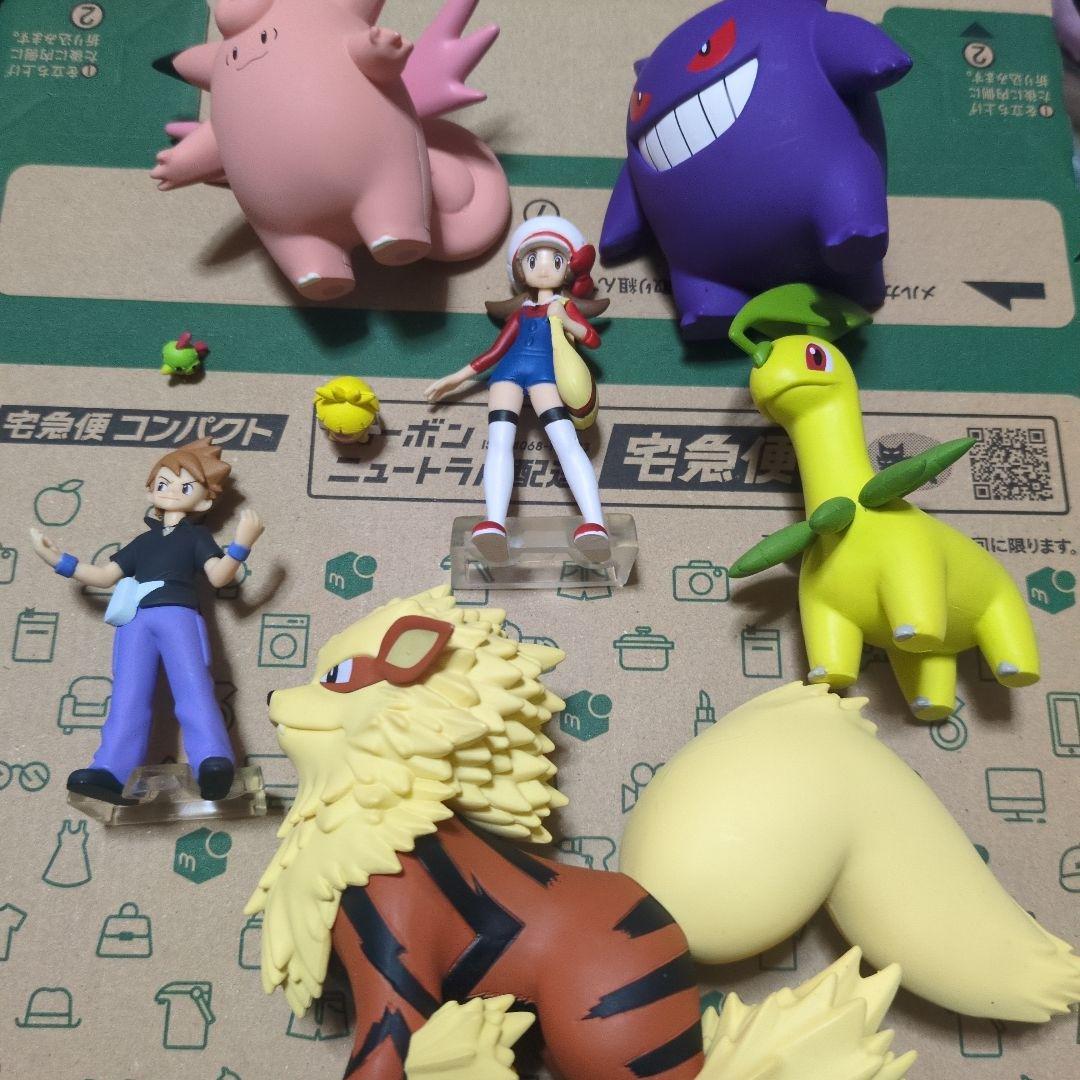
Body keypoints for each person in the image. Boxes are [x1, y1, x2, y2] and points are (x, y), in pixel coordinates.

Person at [30, 438, 264, 804]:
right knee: (127, 695)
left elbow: (219, 577)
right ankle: (111, 771)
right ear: (151, 489)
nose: (170, 491)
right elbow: (104, 576)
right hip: (134, 621)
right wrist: (60, 561)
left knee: (193, 688)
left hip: (179, 617)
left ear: (204, 501)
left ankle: (213, 762)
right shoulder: (142, 542)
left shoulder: (197, 537)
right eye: (163, 483)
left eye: (184, 486)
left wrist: (241, 545)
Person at [424, 215, 610, 563]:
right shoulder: (520, 313)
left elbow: (592, 338)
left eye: (555, 260)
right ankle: (494, 522)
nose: (544, 267)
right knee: (499, 442)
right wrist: (457, 377)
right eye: (533, 259)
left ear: (568, 269)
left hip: (546, 377)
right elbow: (495, 352)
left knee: (566, 442)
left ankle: (595, 523)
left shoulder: (563, 307)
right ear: (520, 269)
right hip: (506, 376)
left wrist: (565, 320)